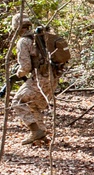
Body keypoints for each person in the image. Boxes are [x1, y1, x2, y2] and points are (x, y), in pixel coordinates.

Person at [10, 14, 59, 145]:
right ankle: (40, 133)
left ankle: (35, 131)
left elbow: (25, 67)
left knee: (17, 102)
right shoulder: (42, 37)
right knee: (33, 104)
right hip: (53, 78)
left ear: (17, 27)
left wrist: (18, 74)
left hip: (40, 80)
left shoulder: (23, 42)